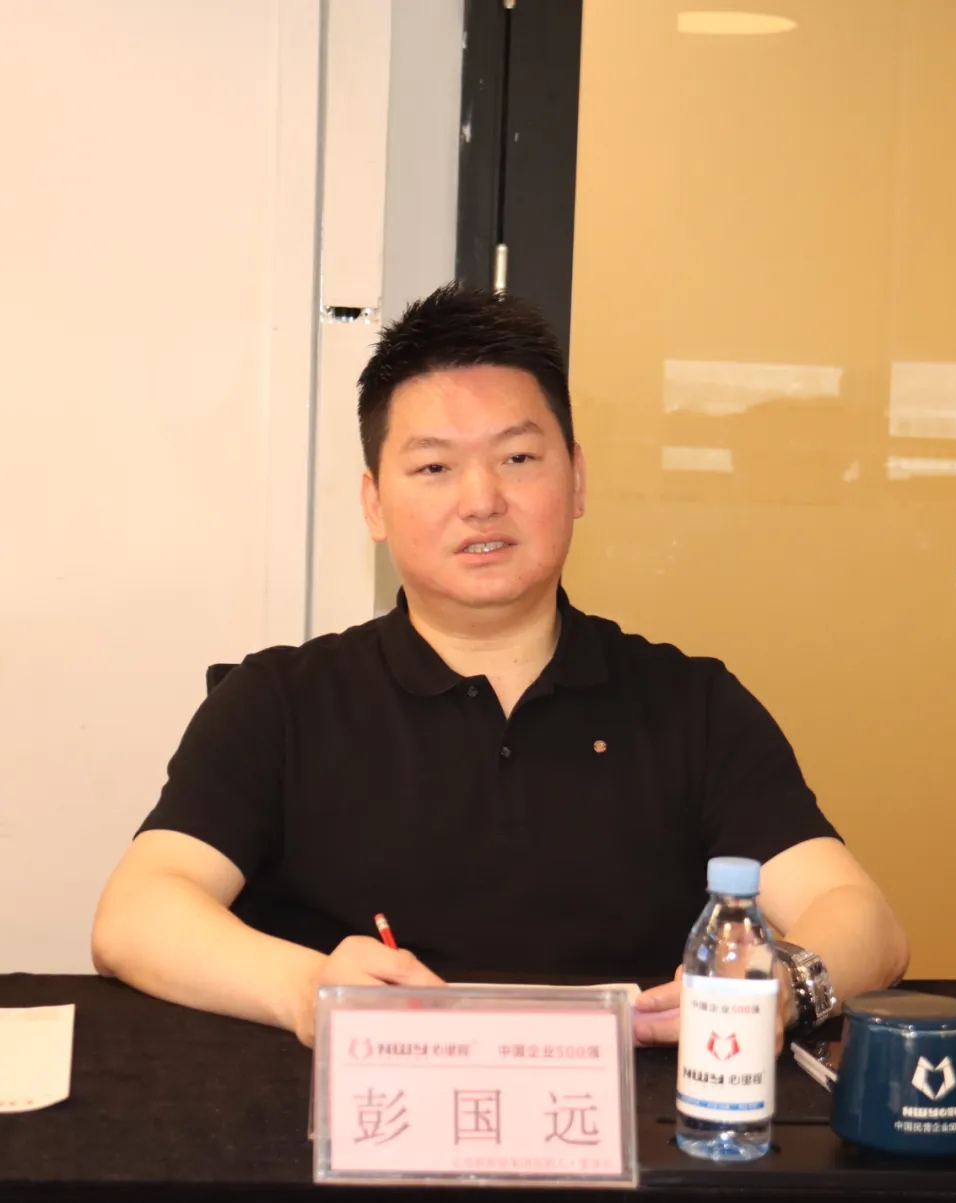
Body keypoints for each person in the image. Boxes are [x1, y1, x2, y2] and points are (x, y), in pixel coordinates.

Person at [92, 285, 909, 1050]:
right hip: (358, 1121)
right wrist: (306, 989)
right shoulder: (279, 702)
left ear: (577, 478)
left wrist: (780, 985)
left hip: (630, 1126)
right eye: (434, 467)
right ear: (374, 503)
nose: (481, 499)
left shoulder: (691, 704)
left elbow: (863, 918)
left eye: (518, 458)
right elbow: (136, 911)